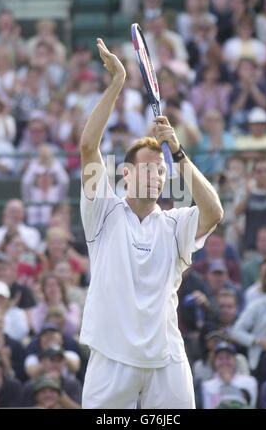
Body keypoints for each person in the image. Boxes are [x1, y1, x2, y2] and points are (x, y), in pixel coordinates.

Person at [79, 39, 223, 409]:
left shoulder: (175, 225)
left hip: (166, 361)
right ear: (126, 173)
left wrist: (177, 151)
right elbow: (88, 147)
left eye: (162, 170)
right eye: (148, 166)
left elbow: (214, 213)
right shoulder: (103, 213)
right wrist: (118, 83)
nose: (157, 174)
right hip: (112, 359)